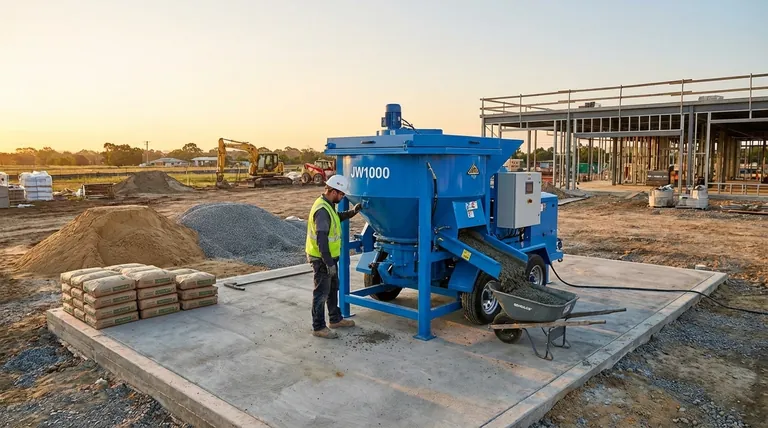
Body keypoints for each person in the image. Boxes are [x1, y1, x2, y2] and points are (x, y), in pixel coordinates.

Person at [305, 174, 362, 339]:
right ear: (333, 191)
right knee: (321, 293)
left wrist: (352, 212)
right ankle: (318, 327)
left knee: (332, 289)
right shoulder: (322, 210)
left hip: (329, 258)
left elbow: (336, 218)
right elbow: (322, 240)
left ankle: (335, 319)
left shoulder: (328, 206)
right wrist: (329, 263)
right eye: (341, 194)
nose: (342, 196)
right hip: (322, 259)